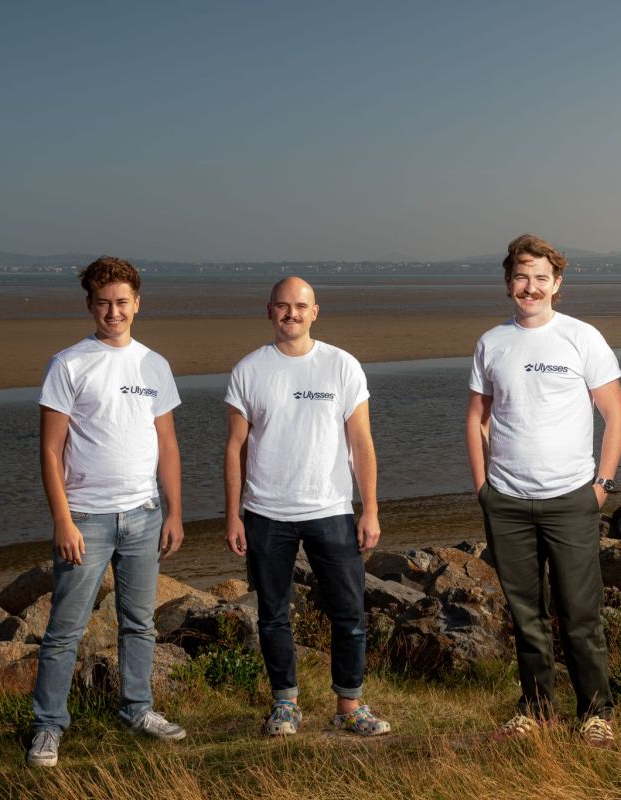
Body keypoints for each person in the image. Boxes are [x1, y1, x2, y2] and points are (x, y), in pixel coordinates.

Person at [466, 233, 621, 747]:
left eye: (540, 278)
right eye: (520, 277)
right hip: (507, 502)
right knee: (525, 614)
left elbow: (616, 415)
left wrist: (602, 484)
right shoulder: (492, 342)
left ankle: (596, 713)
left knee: (580, 613)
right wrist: (483, 487)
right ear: (508, 282)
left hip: (571, 500)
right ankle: (535, 710)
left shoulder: (581, 337)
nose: (529, 287)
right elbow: (477, 419)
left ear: (557, 283)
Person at [26, 256, 186, 768]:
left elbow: (168, 445)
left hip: (143, 514)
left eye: (121, 302)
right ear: (90, 305)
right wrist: (63, 520)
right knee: (64, 631)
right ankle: (48, 726)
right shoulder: (68, 363)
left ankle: (137, 709)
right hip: (86, 520)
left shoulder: (154, 365)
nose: (113, 312)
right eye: (103, 303)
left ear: (137, 304)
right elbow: (50, 451)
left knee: (138, 623)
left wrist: (174, 512)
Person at [223, 276, 390, 737]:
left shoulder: (341, 366)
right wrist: (233, 513)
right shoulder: (249, 370)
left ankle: (349, 706)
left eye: (300, 306)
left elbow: (362, 442)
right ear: (269, 311)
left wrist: (369, 508)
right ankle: (285, 704)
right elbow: (235, 447)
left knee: (349, 614)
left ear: (315, 312)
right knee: (273, 614)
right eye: (282, 306)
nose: (291, 314)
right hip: (265, 512)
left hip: (331, 510)